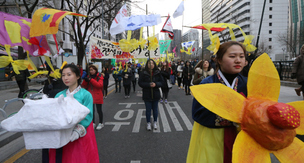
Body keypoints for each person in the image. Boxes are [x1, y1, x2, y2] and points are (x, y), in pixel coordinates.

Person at [188, 41, 248, 163]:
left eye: (241, 56)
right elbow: (198, 114)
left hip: (243, 139)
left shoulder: (248, 83)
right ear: (219, 60)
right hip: (213, 139)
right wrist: (233, 116)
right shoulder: (207, 83)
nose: (238, 60)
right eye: (232, 56)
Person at [48, 64, 99, 163]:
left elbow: (88, 115)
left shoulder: (86, 95)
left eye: (69, 74)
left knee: (79, 157)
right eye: (63, 75)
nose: (65, 78)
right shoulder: (59, 95)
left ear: (78, 76)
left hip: (80, 133)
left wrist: (78, 131)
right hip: (63, 132)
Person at [138, 59, 165, 131]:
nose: (151, 65)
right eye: (149, 63)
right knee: (148, 110)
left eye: (152, 63)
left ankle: (155, 122)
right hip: (147, 94)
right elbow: (140, 83)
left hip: (155, 94)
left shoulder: (157, 72)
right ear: (147, 64)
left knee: (155, 109)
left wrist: (156, 84)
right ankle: (148, 123)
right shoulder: (143, 73)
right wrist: (148, 85)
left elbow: (162, 82)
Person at [81, 64, 104, 130]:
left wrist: (91, 80)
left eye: (92, 70)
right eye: (90, 70)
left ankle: (101, 122)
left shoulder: (99, 76)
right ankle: (93, 122)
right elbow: (84, 86)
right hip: (90, 95)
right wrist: (85, 80)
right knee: (91, 110)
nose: (91, 71)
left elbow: (99, 85)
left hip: (98, 95)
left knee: (99, 110)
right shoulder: (88, 76)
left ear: (95, 70)